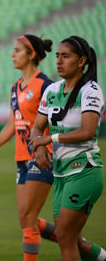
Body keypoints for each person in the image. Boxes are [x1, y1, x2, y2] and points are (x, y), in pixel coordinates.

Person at [0, 34, 58, 261]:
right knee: (25, 219)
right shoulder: (15, 88)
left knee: (28, 216)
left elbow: (56, 120)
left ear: (31, 54)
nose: (12, 54)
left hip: (43, 156)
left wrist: (45, 145)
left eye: (17, 50)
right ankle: (75, 242)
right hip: (22, 157)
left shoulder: (45, 85)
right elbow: (13, 123)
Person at [30, 35, 106, 261]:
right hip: (61, 174)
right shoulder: (52, 90)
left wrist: (49, 140)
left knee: (64, 236)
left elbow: (88, 132)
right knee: (73, 240)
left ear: (81, 61)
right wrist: (40, 148)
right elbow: (36, 128)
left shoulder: (91, 90)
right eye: (57, 57)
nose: (59, 62)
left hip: (85, 170)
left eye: (66, 56)